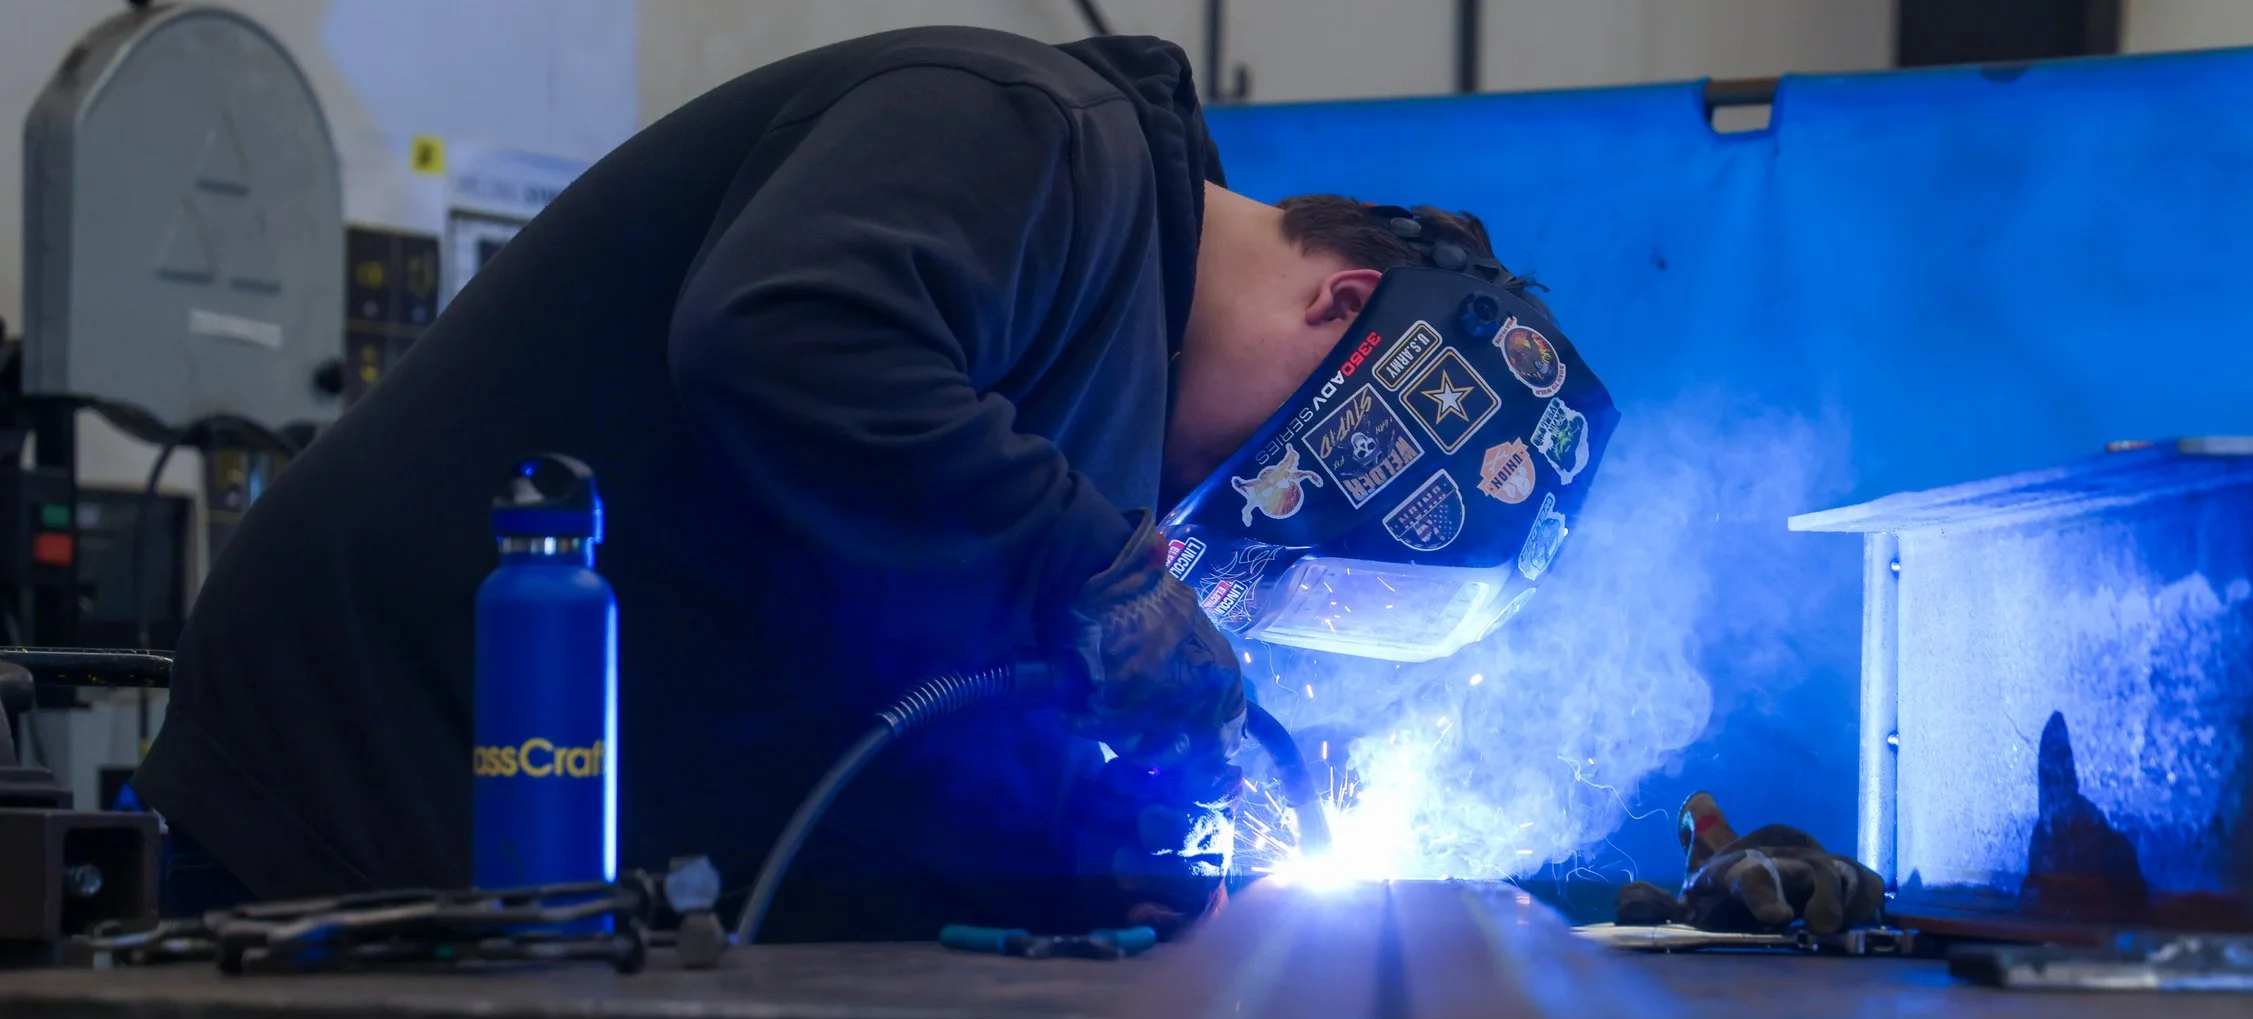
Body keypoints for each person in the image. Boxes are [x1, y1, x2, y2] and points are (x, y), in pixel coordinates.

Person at [134, 26, 1541, 938]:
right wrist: (1086, 572)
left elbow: (879, 632)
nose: (1229, 563)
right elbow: (785, 333)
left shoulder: (1106, 378)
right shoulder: (1039, 137)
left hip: (519, 882)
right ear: (1341, 306)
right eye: (1284, 544)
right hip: (347, 815)